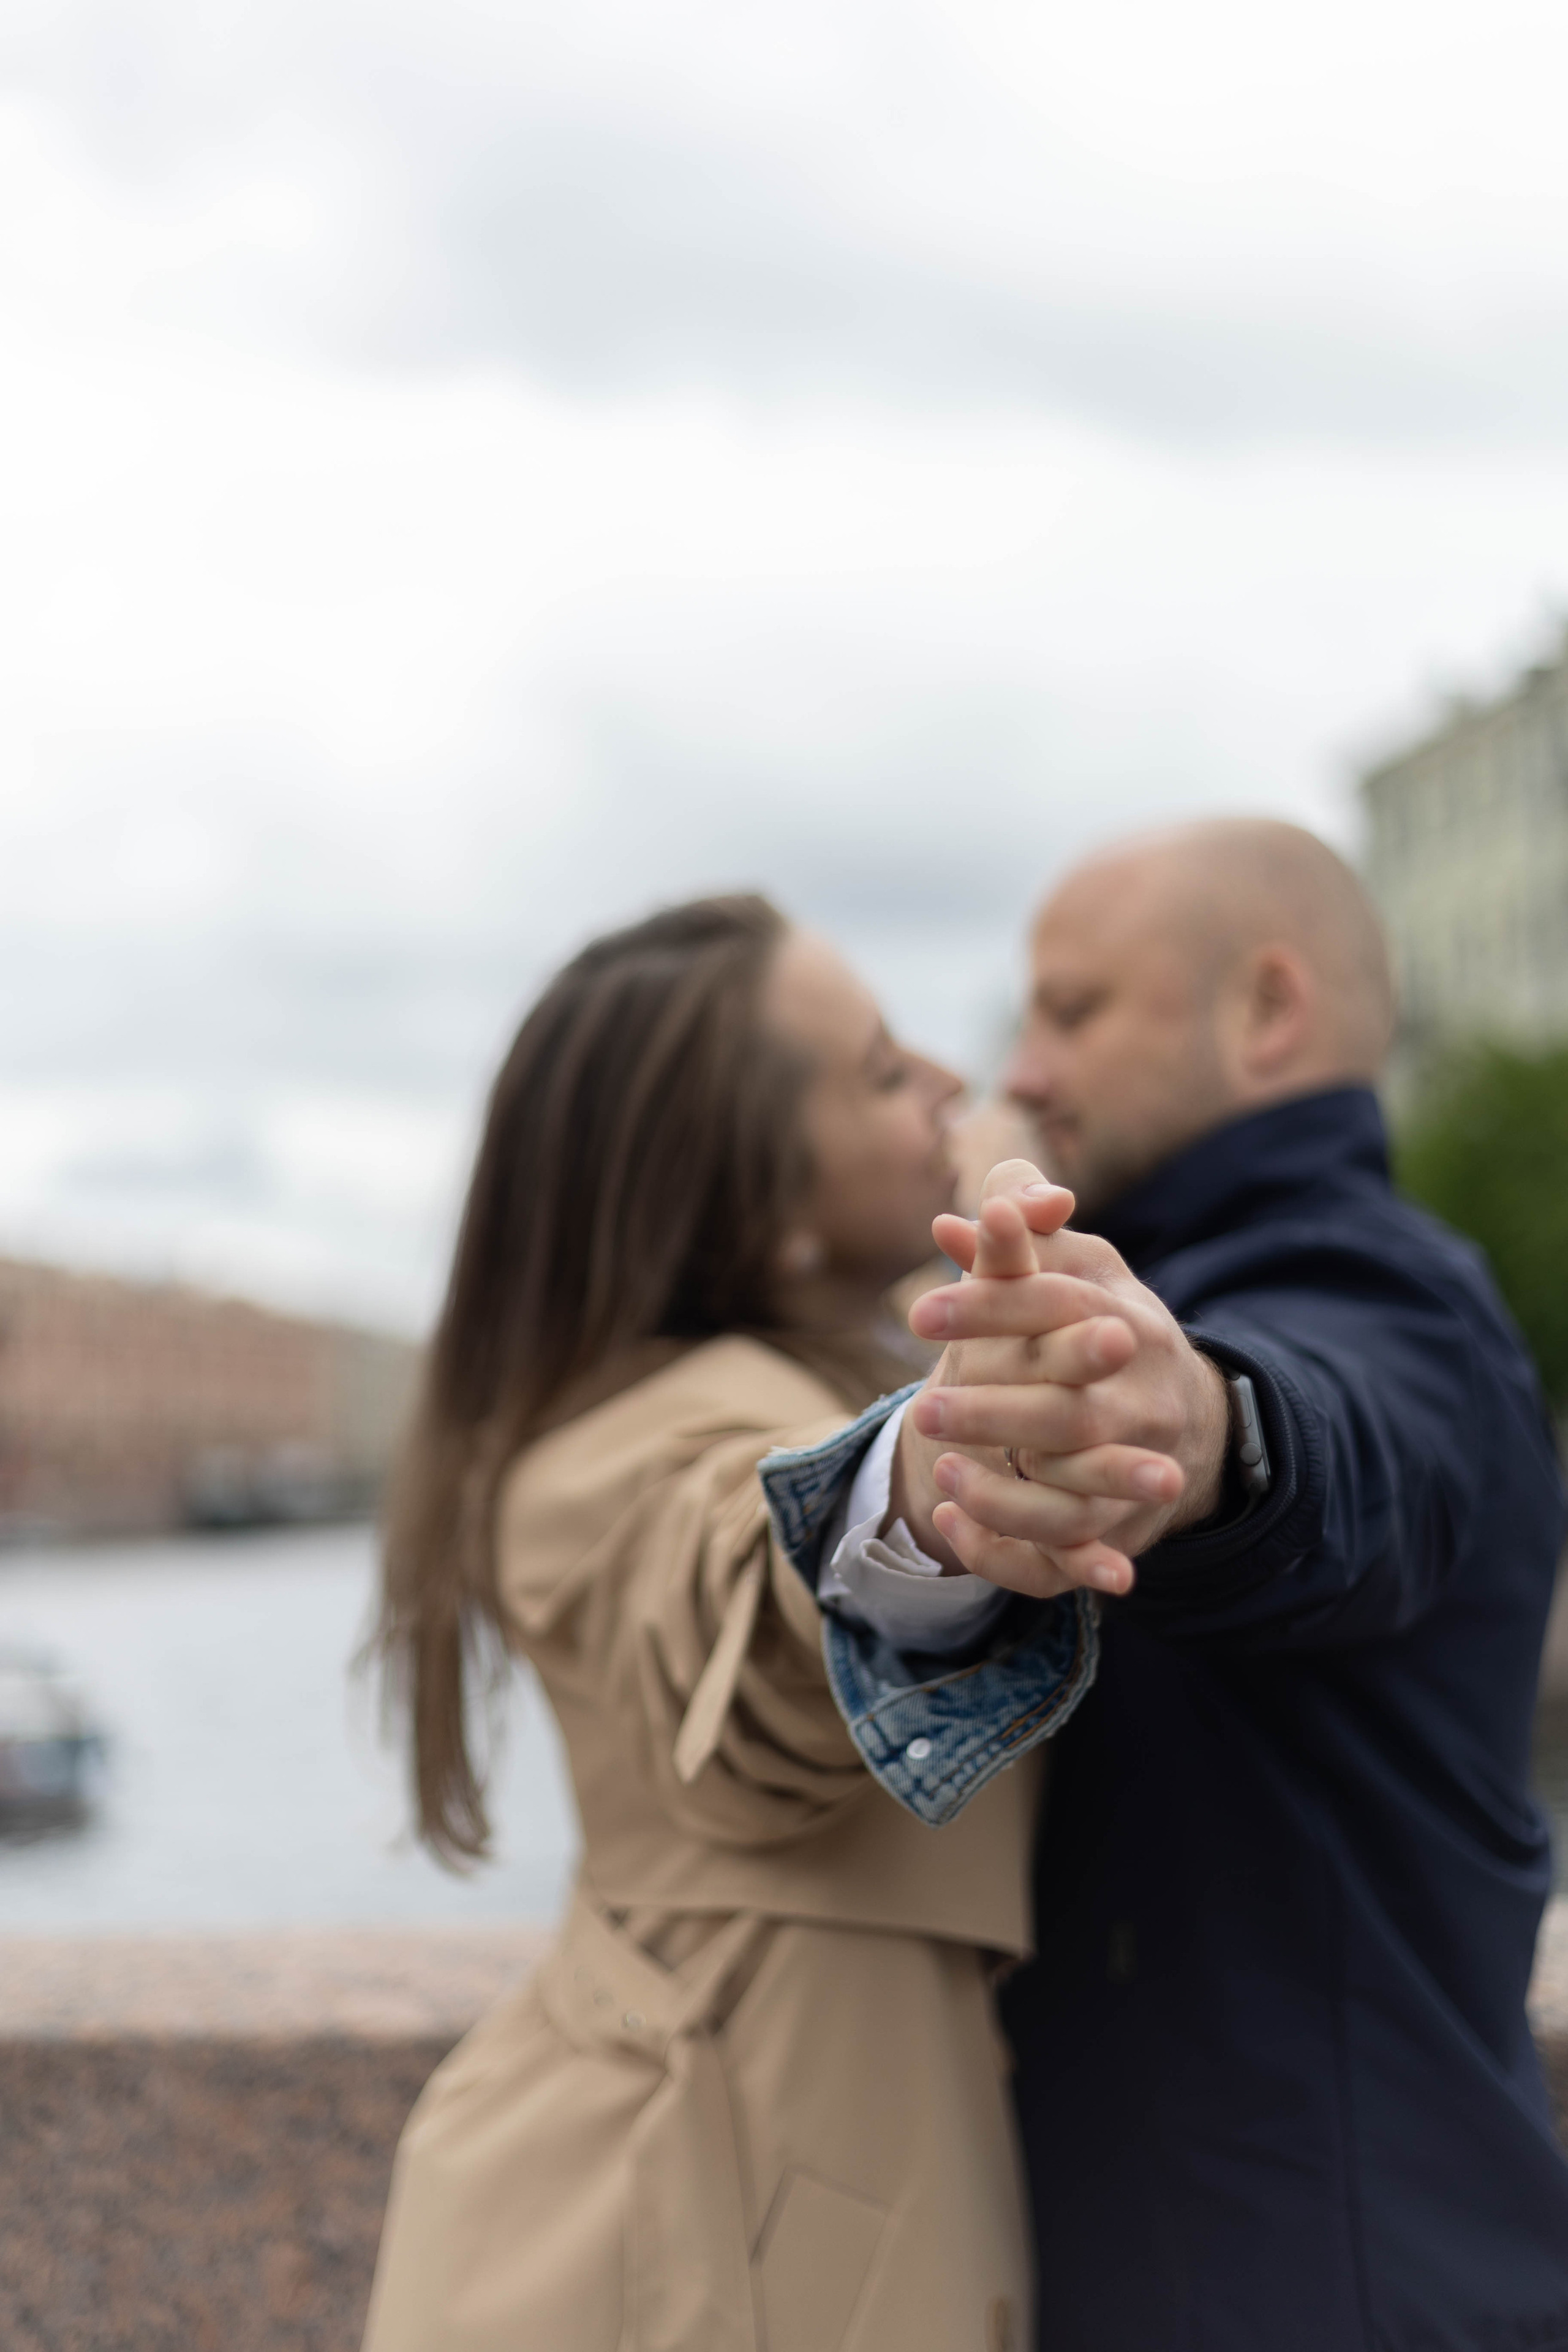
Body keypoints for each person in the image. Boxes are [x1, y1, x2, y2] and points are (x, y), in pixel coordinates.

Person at [769, 821, 1568, 2350]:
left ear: (1265, 1010)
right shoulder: (1146, 1279)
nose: (1030, 1065)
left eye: (1071, 1010)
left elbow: (1326, 1430)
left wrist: (1197, 1426)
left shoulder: (1391, 1290)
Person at [360, 894, 1104, 2352]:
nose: (952, 1085)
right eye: (886, 1072)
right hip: (690, 2267)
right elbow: (752, 1598)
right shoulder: (623, 1458)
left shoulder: (712, 1392)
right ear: (755, 1205)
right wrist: (932, 1476)